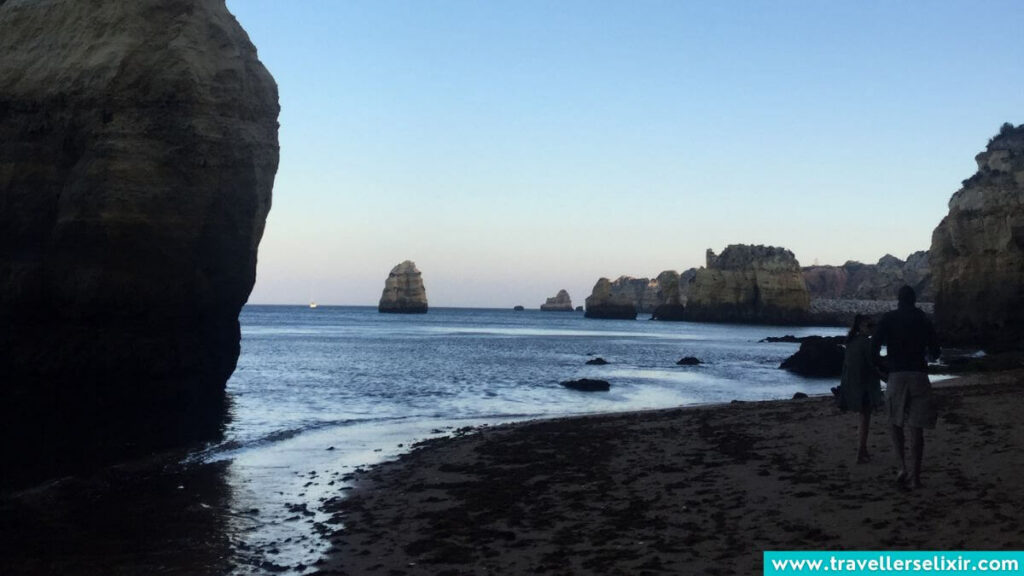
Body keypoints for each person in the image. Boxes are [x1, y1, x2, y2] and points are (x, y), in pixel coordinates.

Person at [872, 285, 940, 489]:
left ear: (898, 300)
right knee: (916, 428)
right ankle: (916, 477)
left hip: (896, 374)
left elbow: (873, 347)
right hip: (919, 375)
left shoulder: (888, 318)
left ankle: (902, 466)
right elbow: (935, 352)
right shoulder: (923, 320)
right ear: (915, 300)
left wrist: (881, 368)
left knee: (895, 422)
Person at [840, 314, 883, 463]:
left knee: (864, 418)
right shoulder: (866, 343)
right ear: (860, 327)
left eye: (873, 326)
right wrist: (886, 377)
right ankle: (861, 451)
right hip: (865, 387)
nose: (872, 329)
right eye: (869, 326)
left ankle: (862, 450)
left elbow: (846, 367)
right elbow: (873, 365)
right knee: (865, 418)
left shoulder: (850, 342)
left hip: (853, 385)